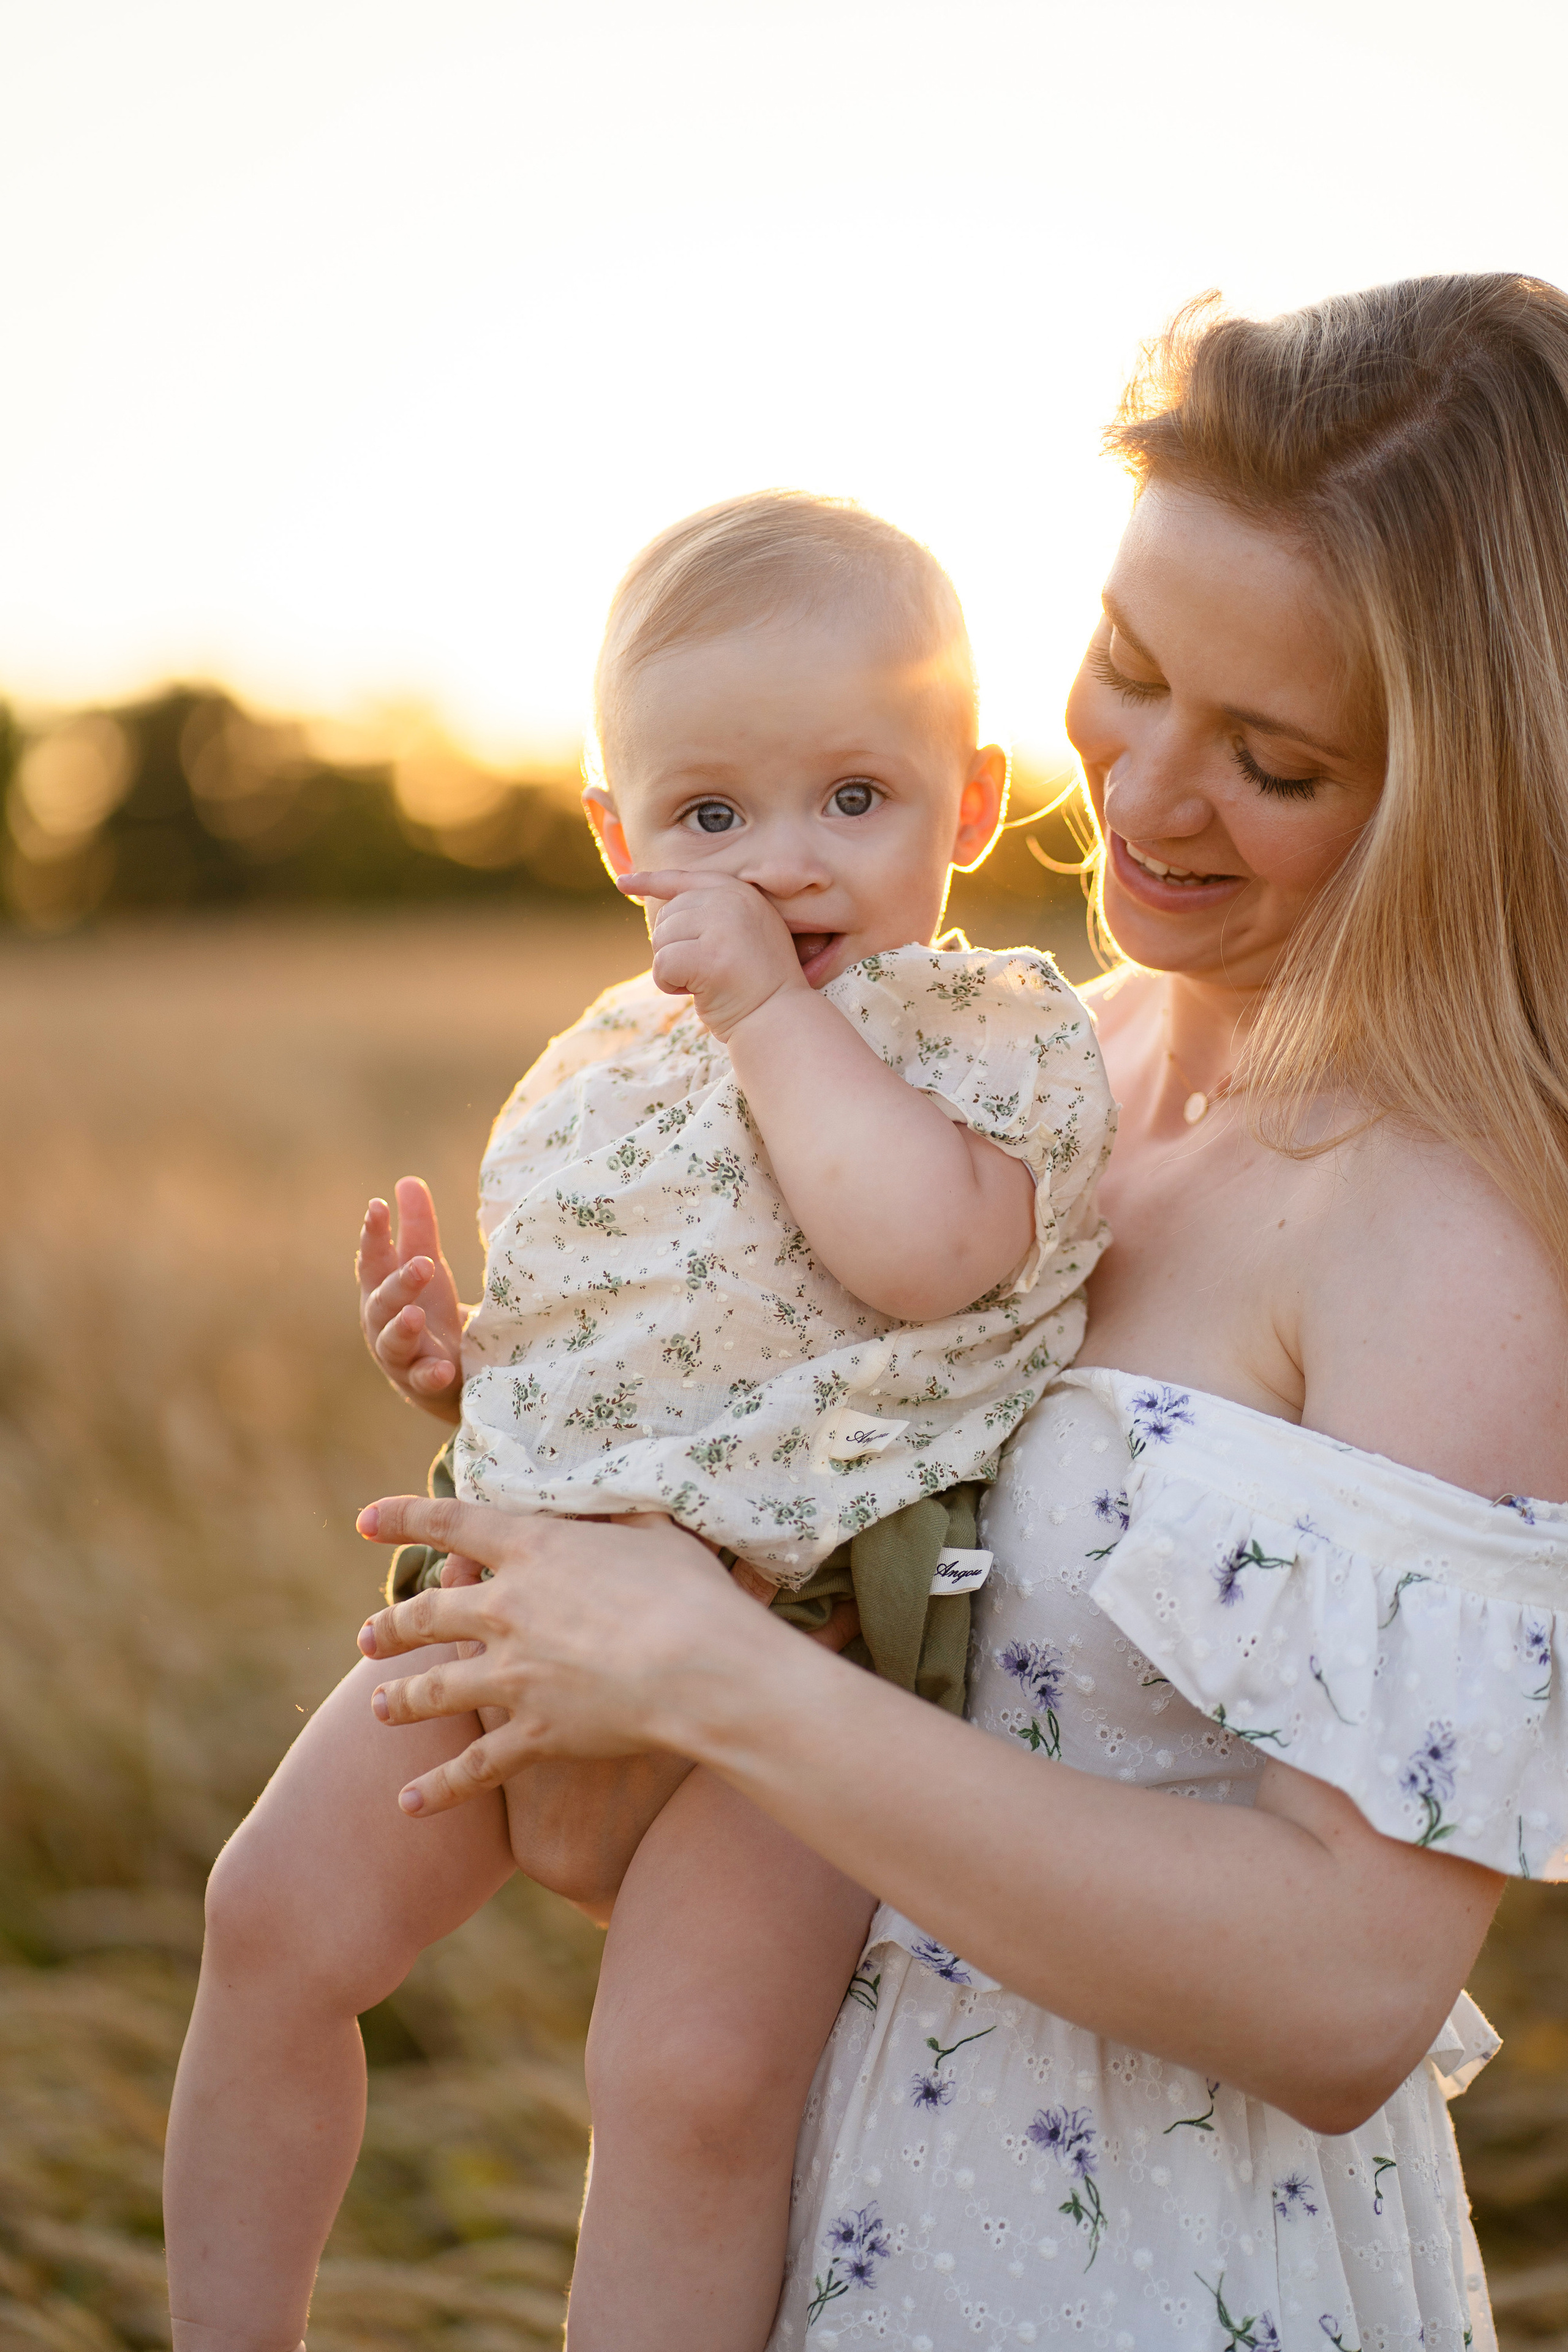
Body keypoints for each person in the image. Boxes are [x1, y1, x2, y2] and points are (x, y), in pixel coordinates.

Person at [347, 274, 1568, 2351]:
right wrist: (573, 1466)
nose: (1145, 794)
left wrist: (715, 1678)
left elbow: (1349, 1998)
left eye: (1272, 760)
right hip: (805, 2199)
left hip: (1130, 2277)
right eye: (1128, 670)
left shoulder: (1446, 1229)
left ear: (1465, 785)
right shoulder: (1009, 1078)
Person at [162, 492, 1116, 2352]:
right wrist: (471, 1365)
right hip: (535, 1585)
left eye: (855, 797)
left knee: (686, 2078)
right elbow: (638, 1336)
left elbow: (922, 1256)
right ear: (619, 839)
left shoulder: (989, 1033)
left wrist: (764, 1015)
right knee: (269, 1917)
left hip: (811, 1649)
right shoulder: (610, 1057)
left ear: (974, 802)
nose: (781, 868)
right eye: (711, 817)